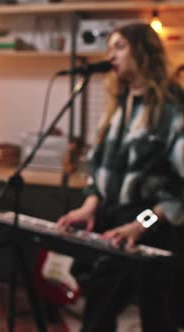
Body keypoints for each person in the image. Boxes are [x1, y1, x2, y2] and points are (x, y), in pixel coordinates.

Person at [57, 23, 184, 332]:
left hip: (152, 221)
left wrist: (140, 226)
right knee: (98, 311)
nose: (110, 54)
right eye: (109, 46)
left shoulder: (171, 108)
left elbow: (179, 192)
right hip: (115, 224)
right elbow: (98, 169)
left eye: (120, 46)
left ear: (143, 53)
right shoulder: (116, 107)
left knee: (158, 317)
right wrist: (90, 205)